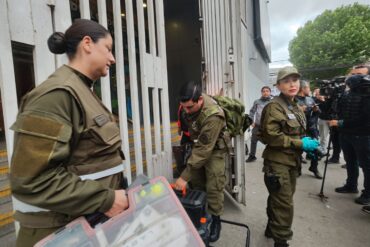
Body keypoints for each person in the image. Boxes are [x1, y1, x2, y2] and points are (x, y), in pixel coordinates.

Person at [9, 19, 129, 246]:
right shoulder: (56, 96)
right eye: (108, 49)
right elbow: (33, 180)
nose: (112, 58)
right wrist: (106, 199)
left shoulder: (81, 90)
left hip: (82, 227)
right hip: (57, 234)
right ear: (87, 44)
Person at [258, 66, 319, 247]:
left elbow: (295, 131)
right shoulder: (274, 106)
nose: (292, 84)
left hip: (291, 161)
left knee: (278, 198)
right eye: (286, 81)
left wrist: (305, 141)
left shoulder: (294, 105)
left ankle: (271, 227)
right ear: (278, 85)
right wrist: (300, 144)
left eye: (295, 80)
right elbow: (271, 136)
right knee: (284, 204)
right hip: (278, 163)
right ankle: (281, 241)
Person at [174, 82, 229, 243]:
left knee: (214, 185)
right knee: (197, 183)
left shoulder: (213, 115)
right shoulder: (187, 106)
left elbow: (205, 150)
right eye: (183, 107)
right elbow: (189, 133)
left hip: (214, 150)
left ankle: (216, 220)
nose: (186, 110)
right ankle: (200, 214)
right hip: (198, 145)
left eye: (190, 107)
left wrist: (183, 176)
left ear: (199, 100)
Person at [329, 64, 370, 207]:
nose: (354, 77)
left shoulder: (367, 93)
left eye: (359, 74)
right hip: (346, 134)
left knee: (366, 165)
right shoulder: (346, 92)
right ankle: (351, 185)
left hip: (363, 136)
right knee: (350, 161)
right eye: (353, 74)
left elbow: (365, 118)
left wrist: (340, 123)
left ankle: (368, 193)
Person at [296, 80, 322, 179]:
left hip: (312, 129)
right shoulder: (294, 100)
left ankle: (314, 168)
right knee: (298, 150)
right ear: (303, 88)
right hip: (299, 130)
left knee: (315, 150)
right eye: (308, 88)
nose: (309, 90)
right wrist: (299, 110)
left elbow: (318, 113)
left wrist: (316, 110)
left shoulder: (311, 99)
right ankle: (297, 168)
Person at [245, 86, 272, 162]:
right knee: (253, 140)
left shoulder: (272, 102)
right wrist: (251, 121)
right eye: (263, 91)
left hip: (268, 126)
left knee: (269, 141)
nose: (265, 92)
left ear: (270, 92)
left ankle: (269, 157)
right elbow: (252, 111)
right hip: (257, 125)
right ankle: (252, 156)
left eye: (267, 91)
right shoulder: (257, 102)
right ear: (261, 93)